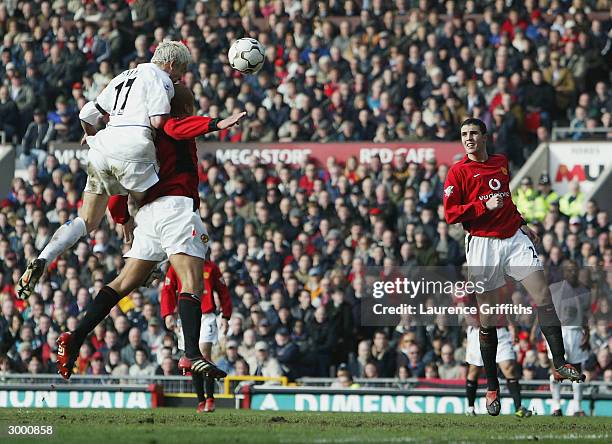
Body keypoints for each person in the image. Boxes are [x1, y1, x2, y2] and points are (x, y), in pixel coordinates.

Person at [54, 83, 245, 380]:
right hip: (175, 209)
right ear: (184, 108)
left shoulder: (136, 137)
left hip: (147, 217)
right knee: (192, 279)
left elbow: (117, 191)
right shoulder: (169, 123)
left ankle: (76, 335)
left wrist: (122, 221)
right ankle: (192, 354)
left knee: (123, 283)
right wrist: (216, 123)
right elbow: (180, 129)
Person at [16, 41, 190, 299]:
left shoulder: (124, 75)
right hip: (135, 150)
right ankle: (148, 265)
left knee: (87, 220)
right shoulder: (161, 78)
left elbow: (87, 114)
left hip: (103, 148)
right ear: (171, 64)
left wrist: (93, 134)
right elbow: (158, 121)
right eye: (181, 71)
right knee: (162, 209)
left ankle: (44, 257)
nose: (180, 78)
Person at [443, 118, 584, 416]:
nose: (468, 139)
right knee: (489, 318)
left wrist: (521, 222)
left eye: (473, 134)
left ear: (484, 137)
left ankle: (560, 362)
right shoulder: (457, 172)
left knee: (543, 296)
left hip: (514, 238)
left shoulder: (501, 162)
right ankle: (492, 386)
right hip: (482, 243)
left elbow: (505, 199)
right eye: (464, 135)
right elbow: (451, 214)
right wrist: (483, 207)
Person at [160, 258, 233, 413]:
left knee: (203, 355)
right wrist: (167, 313)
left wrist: (226, 316)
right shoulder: (177, 264)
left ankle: (210, 399)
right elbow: (167, 289)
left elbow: (223, 290)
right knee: (191, 358)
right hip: (185, 316)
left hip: (207, 315)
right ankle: (201, 400)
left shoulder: (211, 267)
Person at [547, 260, 591, 417]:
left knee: (577, 371)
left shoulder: (583, 290)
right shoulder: (554, 289)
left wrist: (588, 334)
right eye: (569, 270)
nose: (572, 273)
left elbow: (586, 315)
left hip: (577, 332)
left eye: (575, 270)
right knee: (558, 370)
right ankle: (556, 407)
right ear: (563, 272)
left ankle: (577, 408)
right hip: (558, 332)